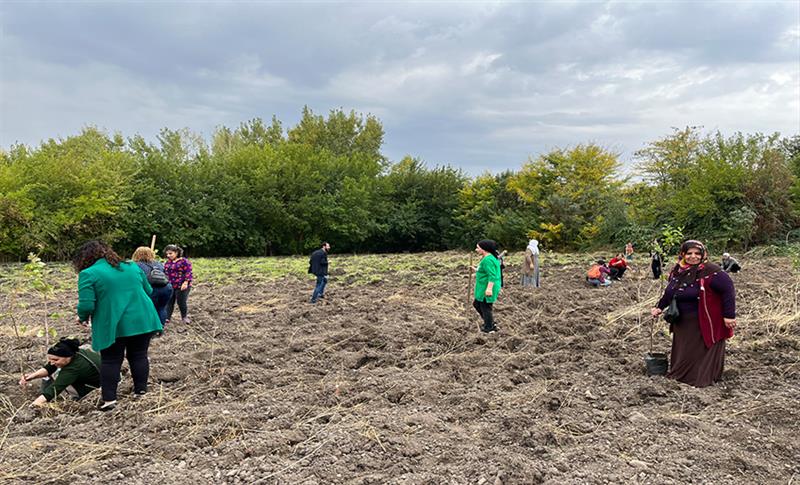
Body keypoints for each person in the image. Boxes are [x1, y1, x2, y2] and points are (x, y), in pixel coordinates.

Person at [74, 240, 162, 411]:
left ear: (84, 258)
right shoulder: (132, 266)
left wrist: (82, 317)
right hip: (143, 319)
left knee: (111, 360)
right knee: (139, 355)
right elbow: (149, 291)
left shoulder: (88, 273)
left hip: (114, 322)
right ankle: (141, 392)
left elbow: (87, 305)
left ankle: (109, 401)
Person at [650, 240, 736, 388]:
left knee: (699, 351)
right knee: (684, 350)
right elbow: (670, 291)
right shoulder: (678, 270)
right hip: (682, 320)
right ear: (683, 254)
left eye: (697, 253)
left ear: (704, 254)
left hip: (704, 320)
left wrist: (729, 315)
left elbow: (728, 291)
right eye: (689, 253)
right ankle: (681, 376)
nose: (693, 256)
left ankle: (698, 379)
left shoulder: (712, 272)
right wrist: (659, 307)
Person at [19, 338, 101, 407]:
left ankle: (76, 398)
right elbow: (50, 367)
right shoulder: (77, 352)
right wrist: (32, 376)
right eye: (50, 359)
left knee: (57, 374)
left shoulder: (73, 369)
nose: (52, 362)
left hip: (95, 387)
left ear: (67, 357)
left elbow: (55, 388)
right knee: (53, 371)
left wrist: (34, 405)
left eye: (55, 360)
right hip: (97, 378)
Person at [132, 246, 173, 328]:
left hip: (151, 288)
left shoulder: (136, 265)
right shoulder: (158, 263)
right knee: (161, 307)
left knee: (148, 308)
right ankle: (161, 326)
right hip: (166, 288)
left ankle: (150, 327)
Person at [473, 239, 502, 333]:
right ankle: (489, 322)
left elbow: (492, 275)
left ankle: (489, 328)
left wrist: (489, 289)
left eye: (478, 248)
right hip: (484, 286)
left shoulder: (487, 260)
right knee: (477, 304)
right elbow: (486, 271)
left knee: (485, 307)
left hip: (487, 286)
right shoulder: (489, 258)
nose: (476, 250)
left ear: (484, 249)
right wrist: (476, 269)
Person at [163, 244, 193, 324]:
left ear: (176, 252)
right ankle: (167, 317)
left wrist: (186, 282)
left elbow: (188, 272)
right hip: (170, 285)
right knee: (169, 302)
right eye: (167, 254)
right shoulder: (168, 262)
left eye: (170, 253)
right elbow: (165, 272)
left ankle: (184, 317)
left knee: (181, 302)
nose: (168, 255)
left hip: (182, 286)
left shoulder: (184, 261)